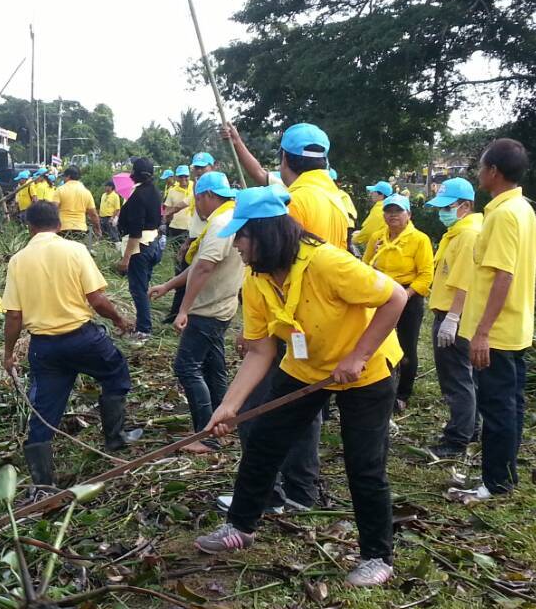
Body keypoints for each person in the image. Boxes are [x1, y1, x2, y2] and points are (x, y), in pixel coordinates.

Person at [195, 187, 406, 587]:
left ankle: (377, 556)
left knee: (364, 464)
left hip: (365, 371)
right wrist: (229, 406)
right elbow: (260, 351)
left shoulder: (327, 263)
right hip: (306, 367)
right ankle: (240, 526)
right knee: (263, 442)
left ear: (265, 234)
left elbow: (395, 297)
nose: (236, 245)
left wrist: (358, 355)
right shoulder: (256, 279)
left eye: (241, 236)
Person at [3, 200, 141, 491]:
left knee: (44, 410)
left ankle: (44, 485)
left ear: (30, 227)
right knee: (116, 373)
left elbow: (14, 315)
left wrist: (8, 354)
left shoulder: (18, 260)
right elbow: (97, 299)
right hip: (83, 339)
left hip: (44, 348)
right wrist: (119, 319)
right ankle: (115, 438)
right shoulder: (75, 250)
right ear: (59, 224)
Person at [451, 140, 536, 505]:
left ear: (494, 172)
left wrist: (482, 332)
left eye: (481, 167)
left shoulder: (503, 215)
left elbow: (503, 275)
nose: (478, 173)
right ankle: (504, 473)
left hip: (498, 331)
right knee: (511, 405)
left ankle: (495, 482)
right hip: (515, 325)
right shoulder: (522, 208)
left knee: (497, 408)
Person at [151, 171, 244, 453]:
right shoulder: (231, 217)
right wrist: (169, 285)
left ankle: (205, 436)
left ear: (207, 196)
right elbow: (199, 265)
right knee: (213, 368)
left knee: (186, 367)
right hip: (222, 307)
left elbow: (204, 267)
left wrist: (184, 309)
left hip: (208, 309)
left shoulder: (220, 224)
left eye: (198, 200)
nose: (198, 206)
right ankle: (222, 424)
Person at [425, 178, 483, 458]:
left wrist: (452, 318)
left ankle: (457, 438)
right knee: (465, 378)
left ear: (466, 206)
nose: (442, 213)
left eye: (447, 208)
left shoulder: (468, 235)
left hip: (454, 315)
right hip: (453, 313)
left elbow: (464, 281)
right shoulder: (458, 233)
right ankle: (471, 428)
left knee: (456, 379)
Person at [362, 193, 434, 411]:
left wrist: (406, 294)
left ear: (409, 214)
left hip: (408, 295)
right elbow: (364, 266)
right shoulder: (377, 237)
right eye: (388, 211)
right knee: (378, 341)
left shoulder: (419, 239)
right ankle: (379, 387)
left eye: (398, 211)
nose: (392, 215)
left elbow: (425, 274)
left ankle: (403, 393)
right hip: (381, 293)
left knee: (406, 345)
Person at [116, 157, 164, 339]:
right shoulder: (155, 191)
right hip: (153, 243)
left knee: (138, 289)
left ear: (134, 174)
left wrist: (126, 258)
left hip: (140, 246)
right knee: (142, 288)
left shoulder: (138, 196)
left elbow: (135, 231)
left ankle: (144, 329)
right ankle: (142, 322)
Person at [161, 165, 195, 322]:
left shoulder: (195, 187)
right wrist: (164, 223)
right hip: (176, 230)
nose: (184, 179)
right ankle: (177, 310)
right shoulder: (172, 191)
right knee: (180, 265)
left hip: (192, 232)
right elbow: (168, 210)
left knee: (192, 268)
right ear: (177, 178)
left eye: (186, 176)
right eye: (181, 177)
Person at [54, 166, 98, 241]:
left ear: (68, 176)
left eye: (64, 177)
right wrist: (97, 228)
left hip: (63, 227)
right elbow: (93, 214)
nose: (63, 179)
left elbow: (53, 209)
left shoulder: (60, 190)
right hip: (80, 228)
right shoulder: (86, 192)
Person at [354, 181, 393, 255]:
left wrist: (355, 239)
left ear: (381, 194)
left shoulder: (379, 209)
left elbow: (368, 231)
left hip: (377, 249)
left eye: (374, 191)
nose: (371, 193)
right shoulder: (388, 206)